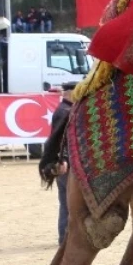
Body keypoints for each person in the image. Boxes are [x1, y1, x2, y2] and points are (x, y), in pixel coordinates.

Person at [44, 82, 77, 244]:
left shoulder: (64, 110)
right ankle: (65, 238)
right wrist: (62, 159)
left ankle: (65, 237)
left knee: (66, 202)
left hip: (63, 161)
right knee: (68, 202)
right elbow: (58, 139)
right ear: (70, 93)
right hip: (65, 162)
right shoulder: (65, 112)